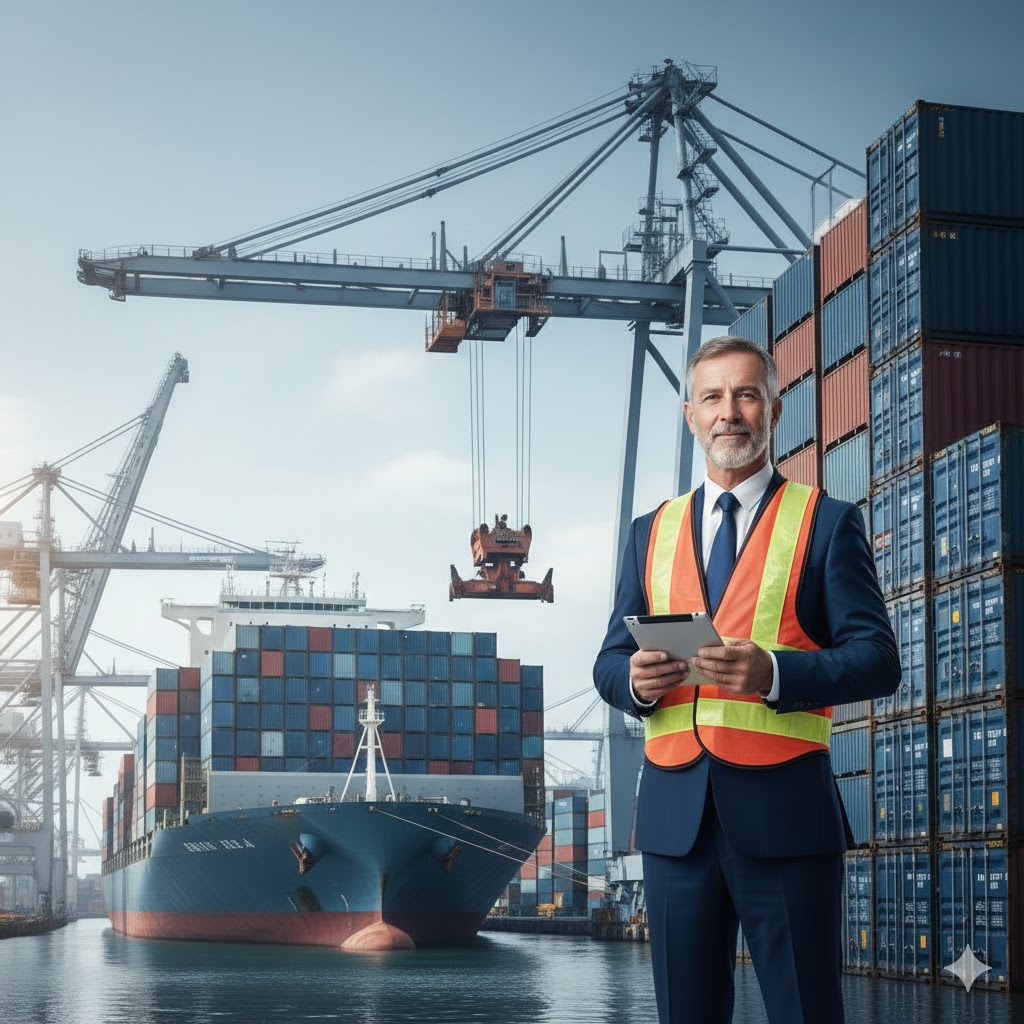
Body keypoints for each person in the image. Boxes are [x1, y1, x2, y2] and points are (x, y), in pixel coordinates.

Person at [593, 335, 900, 1024]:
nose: (729, 412)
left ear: (774, 407)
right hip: (676, 828)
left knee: (805, 1012)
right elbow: (608, 662)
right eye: (712, 397)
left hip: (787, 818)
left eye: (746, 394)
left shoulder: (826, 523)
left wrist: (773, 673)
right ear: (690, 414)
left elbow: (880, 659)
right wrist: (637, 682)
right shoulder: (650, 532)